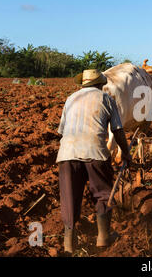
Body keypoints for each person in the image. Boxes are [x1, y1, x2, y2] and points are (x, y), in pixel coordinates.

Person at [56, 69, 132, 254]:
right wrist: (126, 152)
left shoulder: (70, 99)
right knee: (103, 193)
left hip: (67, 154)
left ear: (83, 84)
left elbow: (61, 131)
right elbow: (117, 129)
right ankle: (104, 237)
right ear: (100, 84)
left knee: (69, 196)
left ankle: (69, 244)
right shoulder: (106, 99)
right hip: (95, 152)